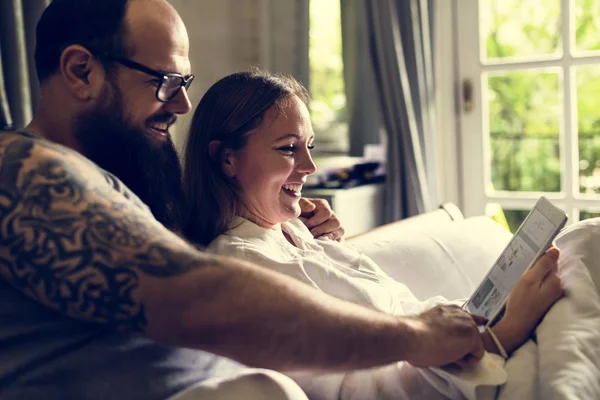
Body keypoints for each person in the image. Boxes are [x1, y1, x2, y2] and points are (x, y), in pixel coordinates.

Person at [0, 1, 489, 399]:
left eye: (185, 86)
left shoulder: (113, 181)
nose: (182, 106)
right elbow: (202, 298)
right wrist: (417, 336)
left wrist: (313, 245)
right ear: (81, 70)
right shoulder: (24, 170)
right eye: (165, 83)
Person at [181, 70, 564, 399]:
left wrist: (330, 246)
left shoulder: (295, 234)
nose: (310, 166)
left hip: (466, 347)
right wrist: (504, 335)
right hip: (475, 371)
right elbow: (367, 390)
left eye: (309, 146)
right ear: (227, 158)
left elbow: (394, 312)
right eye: (288, 148)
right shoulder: (249, 271)